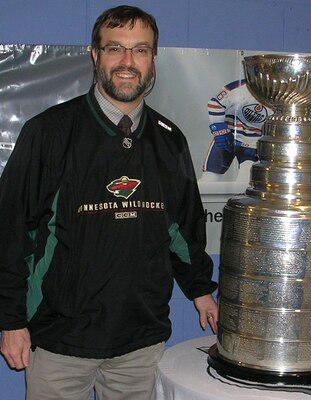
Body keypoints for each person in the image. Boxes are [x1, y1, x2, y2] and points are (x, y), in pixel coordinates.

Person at [0, 5, 218, 400]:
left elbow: (184, 228)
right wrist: (11, 320)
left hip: (140, 346)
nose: (128, 62)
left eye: (141, 50)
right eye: (115, 48)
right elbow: (11, 231)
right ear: (95, 55)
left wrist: (201, 289)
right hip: (59, 343)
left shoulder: (169, 141)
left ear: (153, 59)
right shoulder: (49, 133)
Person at [200, 79, 311, 182]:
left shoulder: (286, 98)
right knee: (210, 179)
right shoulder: (241, 88)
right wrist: (220, 130)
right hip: (229, 137)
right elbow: (215, 104)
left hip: (255, 145)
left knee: (245, 182)